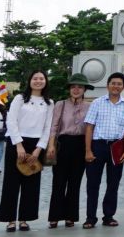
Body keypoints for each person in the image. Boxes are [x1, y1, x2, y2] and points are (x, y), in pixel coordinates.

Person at [0, 70, 54, 232]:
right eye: (35, 78)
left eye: (41, 78)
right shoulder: (20, 99)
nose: (38, 81)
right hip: (16, 142)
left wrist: (38, 149)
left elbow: (48, 128)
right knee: (11, 182)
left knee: (31, 183)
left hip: (36, 144)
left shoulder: (49, 102)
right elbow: (11, 121)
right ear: (29, 81)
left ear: (45, 81)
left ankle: (24, 219)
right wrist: (19, 145)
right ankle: (10, 219)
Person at [83, 72, 124, 228]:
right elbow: (89, 127)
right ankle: (90, 218)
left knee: (113, 183)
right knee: (93, 183)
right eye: (113, 83)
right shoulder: (97, 103)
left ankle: (109, 216)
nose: (116, 86)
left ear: (123, 87)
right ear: (108, 85)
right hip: (98, 146)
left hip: (117, 147)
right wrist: (88, 150)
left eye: (119, 84)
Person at [45, 74, 93, 228]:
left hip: (81, 145)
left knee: (75, 182)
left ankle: (70, 216)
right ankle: (54, 216)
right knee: (58, 182)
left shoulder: (90, 106)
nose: (76, 89)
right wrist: (51, 145)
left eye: (80, 87)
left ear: (84, 89)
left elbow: (91, 129)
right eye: (73, 87)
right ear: (69, 89)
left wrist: (88, 149)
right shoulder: (61, 104)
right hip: (63, 144)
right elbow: (54, 126)